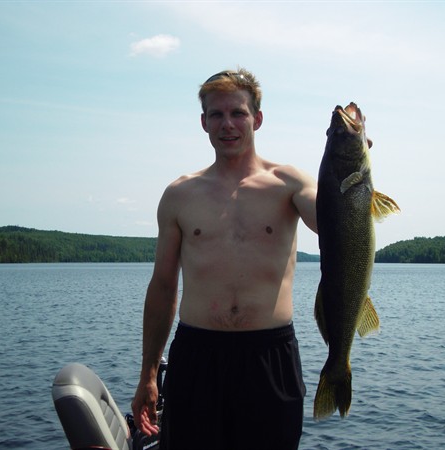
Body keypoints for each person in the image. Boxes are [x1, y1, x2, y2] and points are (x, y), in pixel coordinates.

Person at [131, 67, 318, 450]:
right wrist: (149, 373)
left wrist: (350, 166)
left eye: (238, 113)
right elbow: (164, 286)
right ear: (203, 122)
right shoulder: (180, 195)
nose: (227, 124)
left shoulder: (290, 184)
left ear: (257, 119)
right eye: (216, 114)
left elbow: (338, 224)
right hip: (196, 357)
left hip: (270, 358)